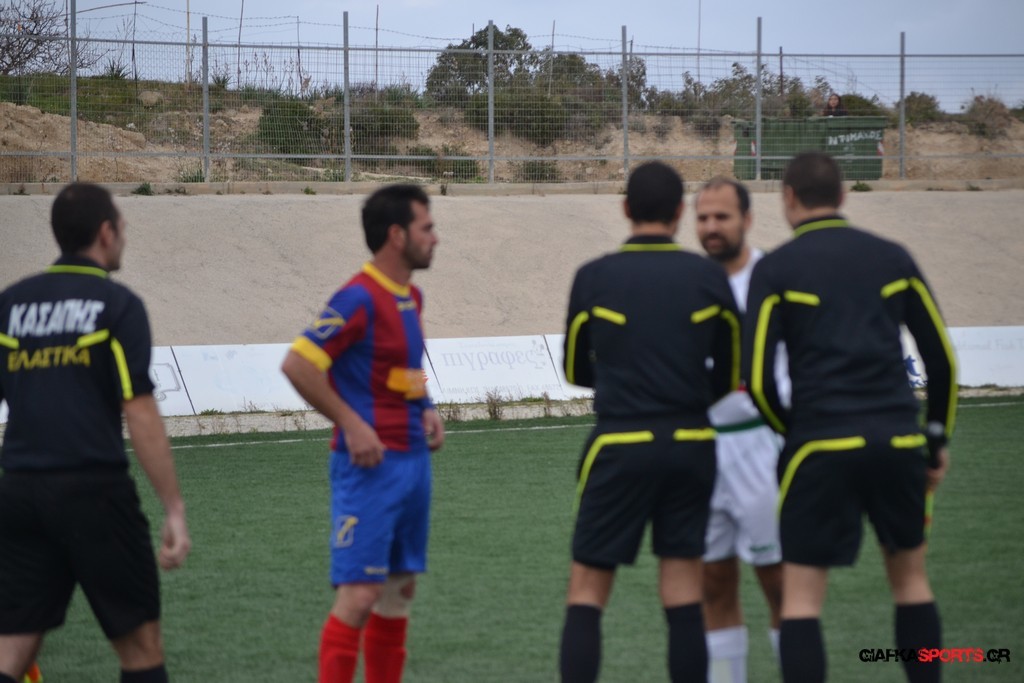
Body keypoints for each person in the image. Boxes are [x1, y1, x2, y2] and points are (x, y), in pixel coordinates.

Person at [743, 152, 956, 683]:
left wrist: (794, 433)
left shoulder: (775, 269)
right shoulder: (893, 257)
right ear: (842, 196)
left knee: (801, 599)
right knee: (911, 583)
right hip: (897, 441)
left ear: (788, 198)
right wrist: (934, 437)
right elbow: (942, 362)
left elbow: (757, 378)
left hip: (819, 445)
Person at [0, 183, 191, 683]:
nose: (124, 233)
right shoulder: (116, 305)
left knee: (11, 650)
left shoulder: (10, 306)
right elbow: (139, 409)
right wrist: (173, 507)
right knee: (140, 648)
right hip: (94, 493)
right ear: (106, 233)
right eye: (122, 225)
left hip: (19, 494)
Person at [559, 161, 740, 683]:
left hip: (620, 441)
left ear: (625, 208)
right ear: (681, 212)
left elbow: (574, 369)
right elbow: (732, 372)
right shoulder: (709, 276)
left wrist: (623, 382)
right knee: (683, 590)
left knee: (588, 588)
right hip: (691, 441)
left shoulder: (593, 277)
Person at [281, 184, 445, 683]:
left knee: (399, 593)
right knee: (359, 596)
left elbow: (403, 369)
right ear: (397, 235)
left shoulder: (411, 296)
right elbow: (299, 364)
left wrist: (426, 407)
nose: (435, 238)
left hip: (413, 462)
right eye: (427, 228)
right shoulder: (357, 297)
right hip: (370, 467)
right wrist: (351, 423)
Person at [694, 178, 784, 683]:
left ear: (747, 220)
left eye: (722, 217)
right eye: (703, 217)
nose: (712, 227)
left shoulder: (775, 278)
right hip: (701, 452)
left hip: (762, 446)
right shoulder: (686, 282)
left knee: (780, 585)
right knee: (712, 584)